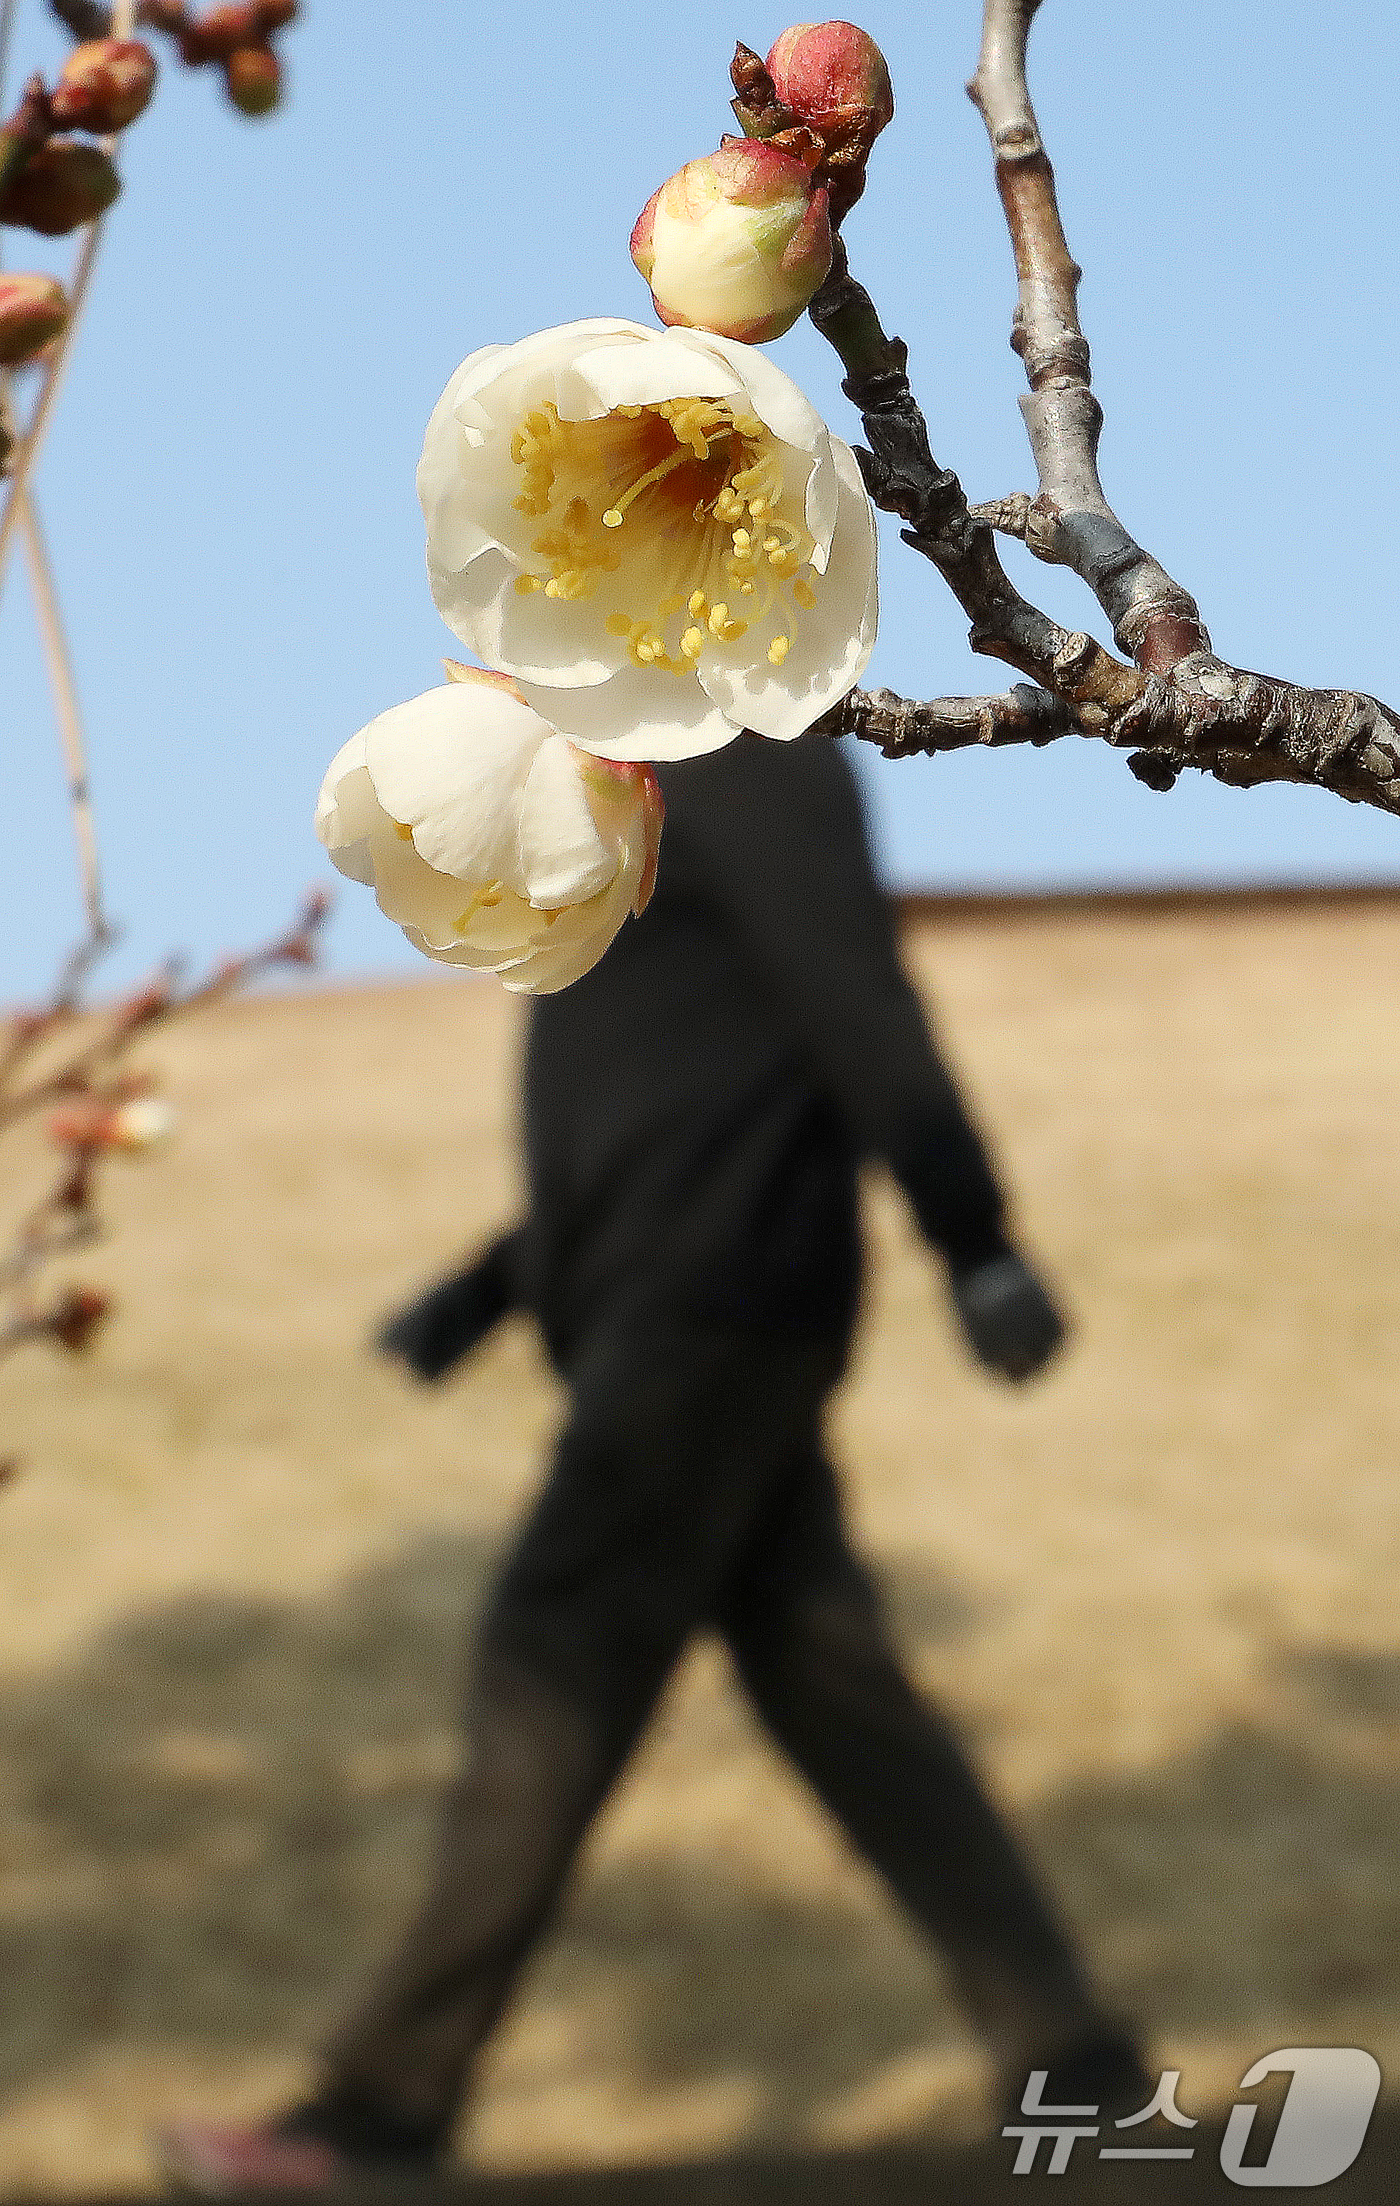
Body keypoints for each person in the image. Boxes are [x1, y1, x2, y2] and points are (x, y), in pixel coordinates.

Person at [160, 731, 1147, 2188]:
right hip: (667, 1307)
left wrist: (975, 1236)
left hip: (715, 1311)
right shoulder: (631, 793)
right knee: (837, 1686)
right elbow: (661, 1097)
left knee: (547, 1664)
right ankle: (1076, 2057)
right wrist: (487, 1289)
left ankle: (379, 2109)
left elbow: (854, 1001)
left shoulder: (760, 770)